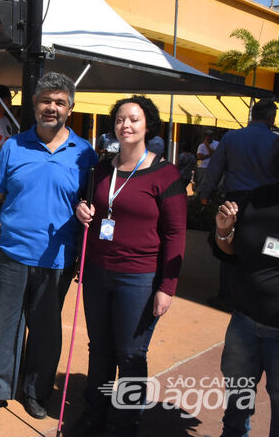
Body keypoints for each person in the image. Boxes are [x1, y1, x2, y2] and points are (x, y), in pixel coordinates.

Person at [0, 72, 97, 423]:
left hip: (58, 258)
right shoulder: (13, 146)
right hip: (12, 252)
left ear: (70, 108)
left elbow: (92, 202)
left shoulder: (84, 153)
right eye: (46, 100)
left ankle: (35, 391)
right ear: (34, 105)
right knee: (3, 324)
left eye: (59, 102)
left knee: (45, 330)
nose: (52, 107)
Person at [70, 96, 187, 437]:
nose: (126, 125)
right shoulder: (102, 169)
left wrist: (167, 287)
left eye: (134, 119)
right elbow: (89, 204)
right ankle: (96, 414)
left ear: (147, 125)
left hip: (139, 279)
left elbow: (176, 234)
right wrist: (82, 210)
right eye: (121, 119)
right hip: (97, 272)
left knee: (131, 355)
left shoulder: (166, 174)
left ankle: (125, 424)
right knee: (100, 349)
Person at [210, 139, 279, 437]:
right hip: (244, 322)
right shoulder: (256, 199)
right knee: (238, 402)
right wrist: (224, 230)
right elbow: (230, 250)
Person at [198, 99, 277, 310]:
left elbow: (214, 169)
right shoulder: (274, 141)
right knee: (263, 249)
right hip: (266, 204)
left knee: (227, 244)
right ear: (271, 118)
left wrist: (204, 195)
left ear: (252, 115)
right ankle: (255, 296)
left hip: (234, 201)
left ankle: (226, 295)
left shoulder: (232, 137)